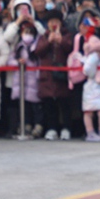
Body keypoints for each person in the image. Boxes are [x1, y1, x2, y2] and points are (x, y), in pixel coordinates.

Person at [33, 10, 73, 141]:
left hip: (62, 73)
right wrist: (49, 41)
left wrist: (61, 41)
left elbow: (71, 48)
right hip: (47, 75)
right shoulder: (43, 36)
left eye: (56, 22)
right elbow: (38, 51)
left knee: (64, 103)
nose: (54, 24)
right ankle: (52, 129)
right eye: (51, 22)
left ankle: (66, 128)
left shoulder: (67, 35)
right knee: (49, 104)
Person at [7, 20, 43, 138]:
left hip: (33, 80)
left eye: (30, 33)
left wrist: (38, 77)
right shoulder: (18, 47)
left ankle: (37, 125)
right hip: (21, 79)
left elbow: (39, 63)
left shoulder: (36, 47)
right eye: (25, 32)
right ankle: (25, 125)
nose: (27, 35)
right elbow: (10, 60)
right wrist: (18, 62)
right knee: (24, 105)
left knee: (35, 105)